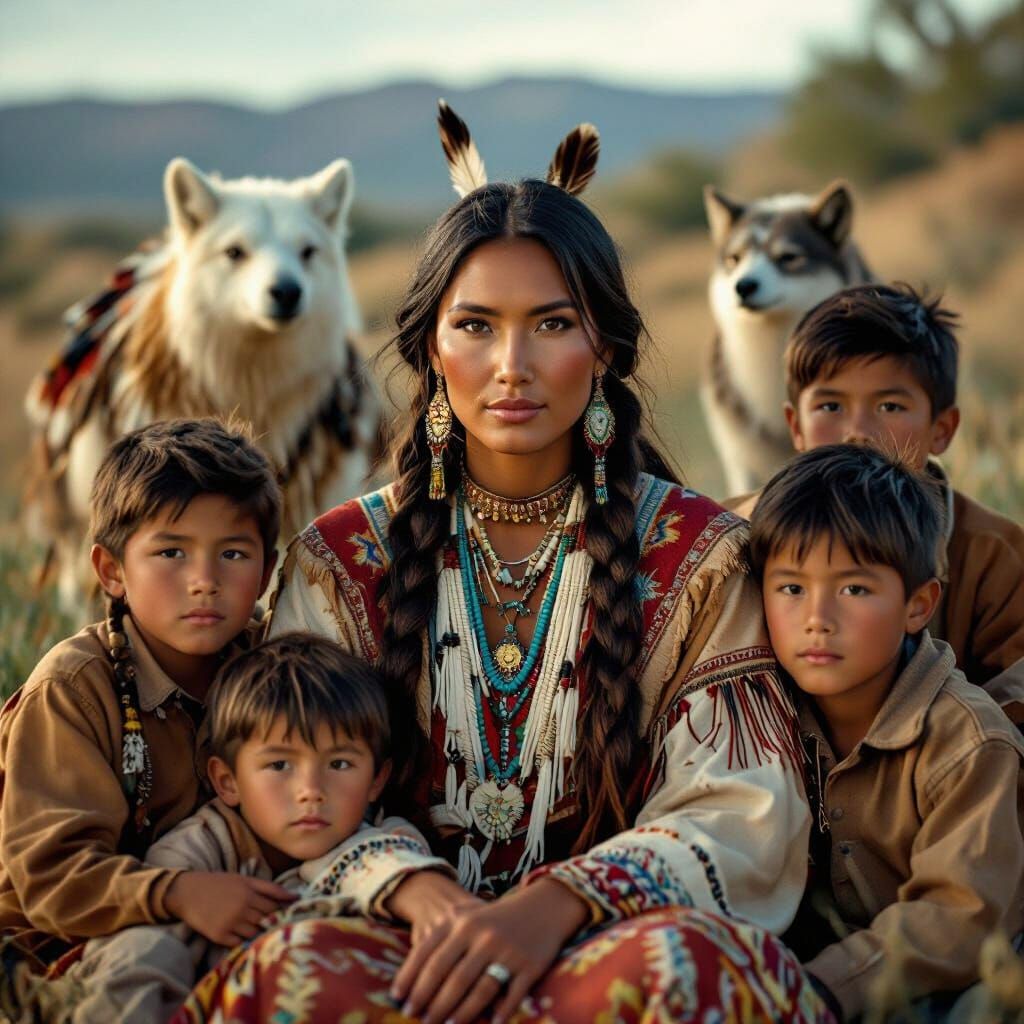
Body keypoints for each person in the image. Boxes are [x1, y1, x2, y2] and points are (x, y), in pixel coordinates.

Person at [177, 106, 833, 1024]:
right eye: (476, 326)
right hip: (408, 954)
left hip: (613, 947)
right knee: (293, 971)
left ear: (604, 348)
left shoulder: (700, 556)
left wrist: (557, 905)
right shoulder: (340, 561)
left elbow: (742, 812)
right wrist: (420, 895)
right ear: (431, 347)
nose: (512, 365)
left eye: (552, 323)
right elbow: (278, 787)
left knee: (686, 968)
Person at [0, 419, 293, 977]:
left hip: (230, 921)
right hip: (62, 950)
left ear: (266, 574)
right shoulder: (73, 690)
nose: (204, 580)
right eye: (172, 552)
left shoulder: (276, 667)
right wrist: (177, 894)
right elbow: (53, 877)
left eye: (233, 554)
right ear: (112, 571)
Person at [749, 444, 1024, 1022]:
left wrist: (819, 987)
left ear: (918, 605)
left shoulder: (969, 742)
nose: (817, 619)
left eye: (853, 589)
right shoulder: (760, 714)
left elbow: (956, 917)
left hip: (964, 973)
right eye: (792, 588)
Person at [70, 633, 452, 1023]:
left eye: (339, 764)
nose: (311, 791)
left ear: (376, 779)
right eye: (279, 765)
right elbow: (143, 952)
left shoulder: (390, 840)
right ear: (228, 781)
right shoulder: (198, 851)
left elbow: (388, 867)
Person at [726, 283, 1024, 704]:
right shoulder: (732, 536)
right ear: (795, 426)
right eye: (830, 407)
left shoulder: (994, 553)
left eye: (889, 407)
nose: (857, 432)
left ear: (942, 429)